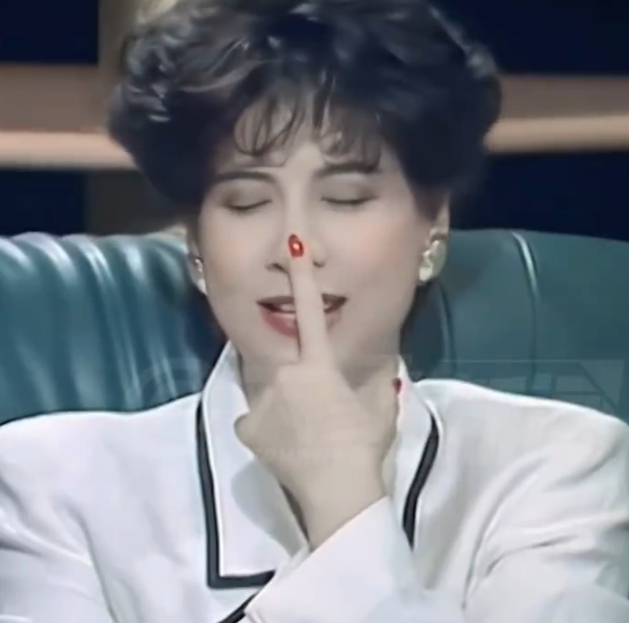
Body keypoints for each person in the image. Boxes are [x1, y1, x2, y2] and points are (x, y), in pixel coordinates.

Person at [1, 0, 629, 621]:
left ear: (433, 228)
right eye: (246, 203)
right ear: (196, 245)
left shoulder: (557, 469)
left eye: (347, 198)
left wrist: (344, 508)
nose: (294, 246)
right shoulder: (53, 486)